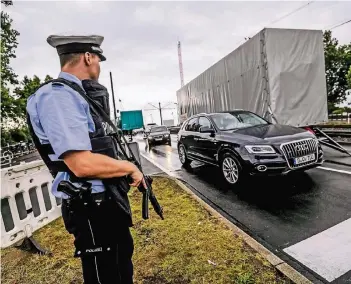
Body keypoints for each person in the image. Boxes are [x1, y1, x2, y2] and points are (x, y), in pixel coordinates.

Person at [26, 35, 145, 284]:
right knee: (106, 276)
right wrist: (129, 167)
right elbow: (81, 165)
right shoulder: (58, 97)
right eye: (98, 59)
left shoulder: (76, 95)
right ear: (88, 57)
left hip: (104, 203)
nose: (99, 65)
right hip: (92, 208)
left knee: (120, 267)